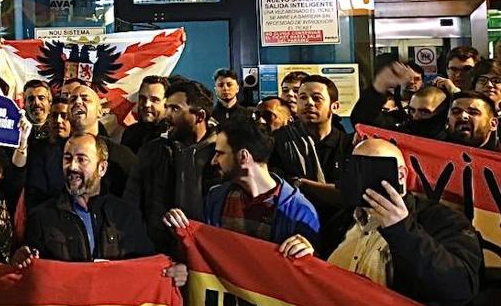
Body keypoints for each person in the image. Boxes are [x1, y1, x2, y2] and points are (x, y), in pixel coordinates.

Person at [288, 138, 483, 306]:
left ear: (400, 174)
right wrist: (311, 256)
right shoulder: (341, 216)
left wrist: (402, 229)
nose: (361, 177)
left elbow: (460, 287)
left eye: (371, 170)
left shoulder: (443, 220)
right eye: (355, 168)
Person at [12, 134, 186, 288]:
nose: (72, 166)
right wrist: (20, 260)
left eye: (82, 159)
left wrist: (171, 271)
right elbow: (30, 279)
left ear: (102, 168)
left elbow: (147, 265)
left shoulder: (125, 215)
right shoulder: (42, 217)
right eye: (67, 158)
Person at [163, 115, 319, 245]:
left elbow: (309, 274)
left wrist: (306, 252)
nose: (213, 161)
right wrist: (181, 228)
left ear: (243, 156)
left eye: (220, 153)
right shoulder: (216, 198)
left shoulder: (300, 211)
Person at [127, 79, 219, 253]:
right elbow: (132, 204)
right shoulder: (151, 151)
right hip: (159, 253)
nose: (166, 114)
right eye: (167, 107)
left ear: (199, 116)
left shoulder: (223, 154)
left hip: (208, 256)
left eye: (175, 109)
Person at [271, 75, 354, 191]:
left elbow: (351, 191)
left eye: (316, 98)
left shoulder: (348, 145)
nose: (309, 103)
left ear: (334, 106)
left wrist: (301, 184)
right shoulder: (280, 140)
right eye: (303, 97)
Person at [120, 76, 168, 155]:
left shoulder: (174, 138)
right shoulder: (130, 133)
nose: (147, 104)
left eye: (154, 100)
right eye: (142, 98)